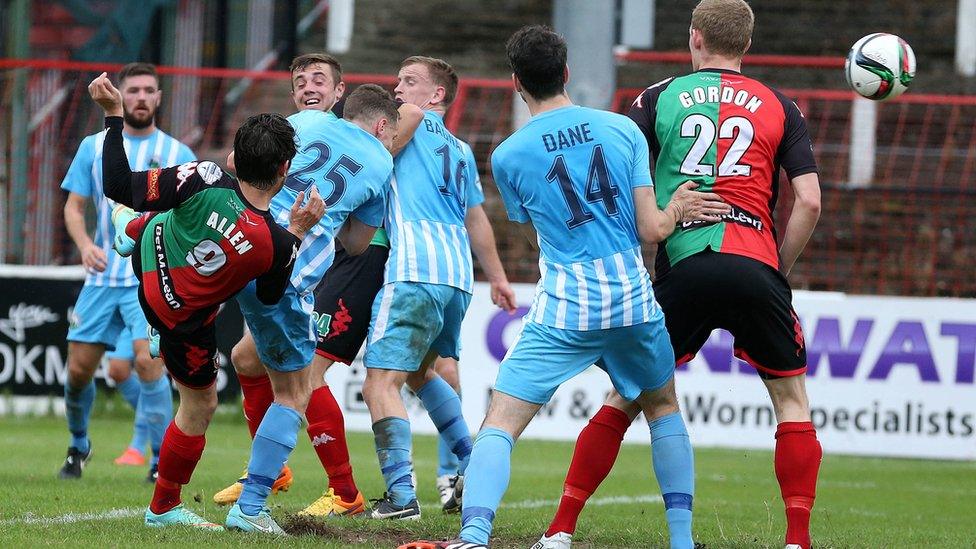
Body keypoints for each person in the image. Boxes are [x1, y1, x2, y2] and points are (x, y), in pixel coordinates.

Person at [403, 25, 730, 549]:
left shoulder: (509, 155)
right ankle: (682, 541)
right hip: (630, 298)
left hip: (567, 306)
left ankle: (474, 535)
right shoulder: (622, 130)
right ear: (567, 73)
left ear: (515, 83)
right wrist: (678, 209)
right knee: (663, 407)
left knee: (501, 422)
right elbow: (653, 230)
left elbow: (537, 222)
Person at [541, 2, 824, 549]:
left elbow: (621, 183)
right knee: (791, 401)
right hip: (756, 263)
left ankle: (560, 529)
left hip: (686, 264)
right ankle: (797, 541)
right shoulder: (781, 106)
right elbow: (808, 201)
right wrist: (777, 269)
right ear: (747, 43)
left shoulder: (655, 98)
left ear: (695, 38)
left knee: (625, 397)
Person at [87, 71, 323, 529]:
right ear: (284, 170)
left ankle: (129, 228)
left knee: (159, 218)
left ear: (234, 158)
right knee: (200, 405)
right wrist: (297, 231)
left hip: (150, 267)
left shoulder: (206, 176)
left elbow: (118, 182)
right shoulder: (275, 242)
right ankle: (164, 508)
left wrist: (113, 116)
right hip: (181, 319)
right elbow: (271, 299)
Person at [212, 54, 424, 520]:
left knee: (288, 372)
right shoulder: (376, 163)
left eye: (319, 81)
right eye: (301, 82)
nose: (309, 88)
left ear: (340, 94)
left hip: (257, 251)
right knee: (269, 368)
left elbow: (236, 163)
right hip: (296, 264)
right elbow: (355, 240)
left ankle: (326, 486)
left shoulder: (304, 125)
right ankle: (274, 478)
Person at [362, 55, 516, 521]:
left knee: (378, 384)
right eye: (398, 79)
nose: (397, 89)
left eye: (409, 81)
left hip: (414, 268)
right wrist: (500, 276)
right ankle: (470, 463)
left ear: (436, 96)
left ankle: (401, 496)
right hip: (456, 278)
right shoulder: (461, 149)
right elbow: (476, 218)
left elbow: (373, 158)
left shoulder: (407, 119)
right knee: (420, 373)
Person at [59, 62, 192, 483]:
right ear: (121, 95)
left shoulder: (178, 155)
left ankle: (158, 460)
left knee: (148, 363)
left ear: (158, 98)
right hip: (101, 278)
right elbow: (74, 207)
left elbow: (190, 218)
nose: (139, 97)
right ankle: (79, 444)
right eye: (131, 90)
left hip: (150, 276)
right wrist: (84, 246)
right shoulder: (92, 147)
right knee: (79, 370)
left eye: (147, 90)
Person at [106, 329, 151, 466]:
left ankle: (137, 448)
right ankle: (158, 418)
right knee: (117, 369)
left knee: (149, 368)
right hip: (131, 312)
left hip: (157, 312)